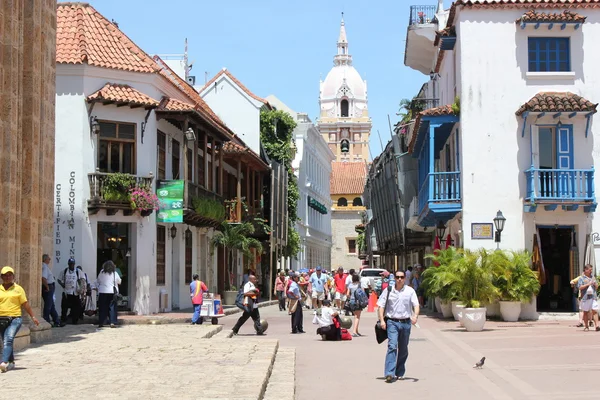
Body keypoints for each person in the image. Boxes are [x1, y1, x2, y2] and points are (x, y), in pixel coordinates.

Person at [377, 270, 419, 383]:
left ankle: (399, 372)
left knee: (403, 348)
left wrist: (415, 316)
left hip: (406, 323)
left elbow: (416, 304)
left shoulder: (410, 291)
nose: (399, 279)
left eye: (401, 277)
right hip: (392, 322)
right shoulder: (388, 290)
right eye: (397, 277)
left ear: (405, 278)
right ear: (394, 278)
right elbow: (380, 306)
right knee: (392, 346)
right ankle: (389, 373)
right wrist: (382, 320)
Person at [0, 266, 40, 372]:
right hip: (2, 319)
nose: (7, 277)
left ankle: (3, 362)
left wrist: (33, 317)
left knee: (8, 339)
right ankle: (11, 361)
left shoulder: (18, 289)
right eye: (5, 275)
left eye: (9, 275)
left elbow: (25, 304)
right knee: (5, 340)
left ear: (13, 276)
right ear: (1, 277)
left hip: (14, 319)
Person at [95, 260, 121, 328]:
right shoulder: (115, 273)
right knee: (112, 307)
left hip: (102, 291)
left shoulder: (101, 272)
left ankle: (102, 322)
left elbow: (98, 280)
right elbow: (119, 281)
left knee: (102, 307)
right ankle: (112, 322)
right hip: (111, 292)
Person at [57, 258, 83, 324]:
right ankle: (63, 319)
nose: (71, 265)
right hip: (67, 292)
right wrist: (62, 284)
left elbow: (82, 279)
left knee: (76, 308)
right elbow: (59, 279)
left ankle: (75, 321)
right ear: (68, 264)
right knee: (64, 307)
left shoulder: (78, 271)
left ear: (74, 264)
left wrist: (81, 288)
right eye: (70, 264)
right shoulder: (64, 271)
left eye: (72, 264)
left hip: (75, 293)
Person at [41, 254, 62, 327]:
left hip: (50, 286)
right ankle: (46, 321)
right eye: (49, 259)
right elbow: (43, 278)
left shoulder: (45, 267)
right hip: (48, 287)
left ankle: (56, 321)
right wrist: (47, 287)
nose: (50, 260)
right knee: (48, 305)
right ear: (45, 259)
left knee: (51, 305)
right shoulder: (44, 267)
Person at [577, 264, 599, 332]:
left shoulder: (593, 277)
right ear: (586, 270)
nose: (591, 271)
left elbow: (597, 287)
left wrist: (595, 284)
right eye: (590, 270)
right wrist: (587, 284)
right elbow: (579, 287)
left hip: (593, 297)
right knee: (585, 312)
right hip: (585, 297)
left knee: (594, 311)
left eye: (591, 269)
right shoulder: (581, 278)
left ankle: (597, 326)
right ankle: (586, 326)